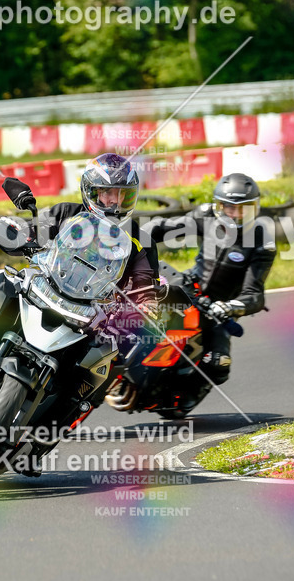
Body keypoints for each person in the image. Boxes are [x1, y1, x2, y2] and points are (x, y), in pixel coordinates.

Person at [0, 152, 160, 416]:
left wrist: (146, 306)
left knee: (106, 359)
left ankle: (53, 423)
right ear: (91, 191)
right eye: (107, 192)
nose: (114, 200)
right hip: (44, 292)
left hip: (91, 319)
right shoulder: (66, 213)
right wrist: (12, 234)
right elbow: (31, 231)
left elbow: (146, 285)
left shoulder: (140, 241)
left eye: (122, 194)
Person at [106, 171, 276, 413]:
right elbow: (160, 227)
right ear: (219, 206)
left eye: (244, 209)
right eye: (229, 208)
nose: (236, 214)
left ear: (255, 208)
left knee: (219, 364)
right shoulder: (206, 215)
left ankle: (173, 398)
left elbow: (255, 294)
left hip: (219, 309)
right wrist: (128, 240)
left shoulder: (262, 241)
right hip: (188, 285)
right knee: (133, 302)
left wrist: (228, 307)